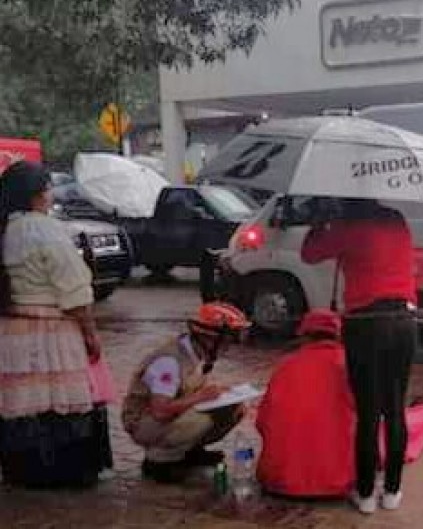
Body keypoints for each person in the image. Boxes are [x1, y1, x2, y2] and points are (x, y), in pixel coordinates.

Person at [0, 161, 112, 488]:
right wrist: (90, 334)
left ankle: (26, 472)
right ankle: (63, 473)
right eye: (48, 188)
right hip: (51, 332)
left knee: (23, 405)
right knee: (59, 404)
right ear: (37, 194)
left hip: (12, 334)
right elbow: (74, 289)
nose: (51, 195)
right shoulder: (43, 229)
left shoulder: (5, 229)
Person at [301, 198, 416, 515]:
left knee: (367, 412)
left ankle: (365, 495)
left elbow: (308, 253)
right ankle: (392, 491)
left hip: (366, 324)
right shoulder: (397, 219)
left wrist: (319, 223)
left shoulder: (345, 226)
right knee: (395, 409)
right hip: (405, 321)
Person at [121, 301, 249, 483]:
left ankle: (189, 452)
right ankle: (160, 461)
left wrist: (216, 393)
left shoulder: (197, 354)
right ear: (209, 338)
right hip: (144, 421)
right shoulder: (170, 361)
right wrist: (201, 396)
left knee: (234, 408)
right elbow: (160, 410)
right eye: (227, 340)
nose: (229, 346)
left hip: (165, 415)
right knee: (201, 419)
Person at [256, 309, 355, 497]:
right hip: (337, 482)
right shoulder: (349, 365)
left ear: (304, 335)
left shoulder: (285, 366)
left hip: (278, 481)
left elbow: (262, 421)